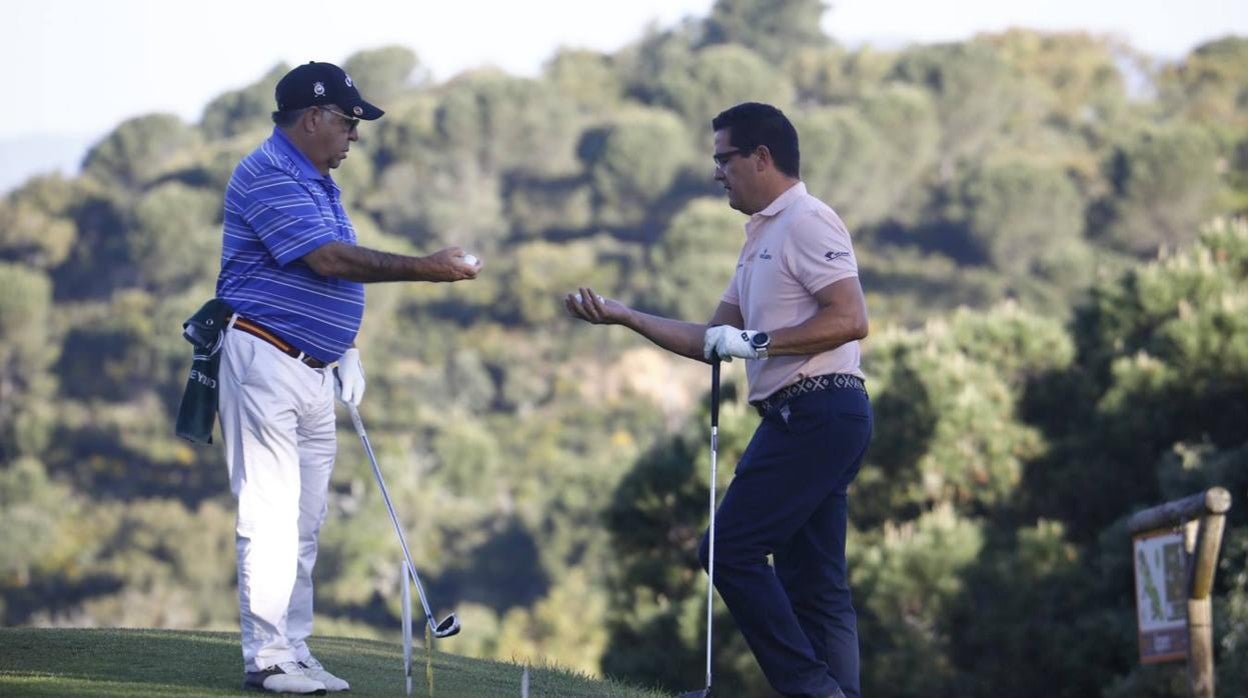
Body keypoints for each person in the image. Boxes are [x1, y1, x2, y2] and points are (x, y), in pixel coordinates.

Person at [566, 102, 872, 698]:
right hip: (805, 415)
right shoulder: (760, 236)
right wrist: (626, 316)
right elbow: (713, 340)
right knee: (815, 583)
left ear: (761, 157)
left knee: (728, 548)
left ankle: (813, 690)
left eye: (723, 159)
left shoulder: (808, 220)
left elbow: (851, 319)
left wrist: (756, 342)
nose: (716, 173)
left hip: (819, 409)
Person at [214, 61, 482, 695]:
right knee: (270, 516)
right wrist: (429, 268)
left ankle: (293, 649)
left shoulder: (317, 182)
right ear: (312, 119)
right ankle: (267, 659)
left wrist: (347, 345)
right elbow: (328, 260)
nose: (354, 134)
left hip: (312, 369)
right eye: (348, 120)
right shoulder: (269, 173)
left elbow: (324, 280)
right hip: (266, 362)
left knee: (305, 522)